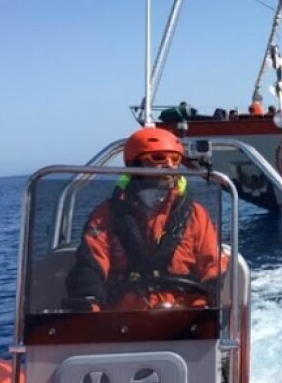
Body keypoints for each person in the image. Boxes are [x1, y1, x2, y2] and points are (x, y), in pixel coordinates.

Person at [65, 127, 227, 311]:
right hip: (122, 318)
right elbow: (91, 264)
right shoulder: (107, 214)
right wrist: (88, 306)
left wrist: (203, 313)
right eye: (158, 158)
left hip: (185, 317)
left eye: (175, 159)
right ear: (134, 164)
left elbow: (212, 267)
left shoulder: (196, 214)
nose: (169, 165)